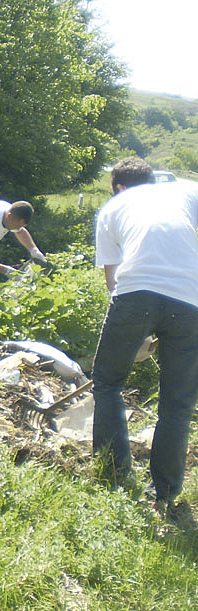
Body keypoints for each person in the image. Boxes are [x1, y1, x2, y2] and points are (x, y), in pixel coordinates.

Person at [92, 157, 198, 515]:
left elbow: (113, 279)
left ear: (118, 186)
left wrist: (133, 336)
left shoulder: (112, 208)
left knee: (107, 382)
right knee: (178, 403)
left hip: (135, 293)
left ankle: (114, 474)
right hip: (191, 299)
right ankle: (165, 493)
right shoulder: (184, 190)